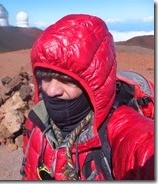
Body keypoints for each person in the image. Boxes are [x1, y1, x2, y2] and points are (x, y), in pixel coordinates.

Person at [20, 14, 154, 180]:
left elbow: (145, 149)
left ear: (93, 83)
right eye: (45, 78)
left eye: (66, 80)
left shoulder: (123, 134)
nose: (52, 90)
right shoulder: (37, 120)